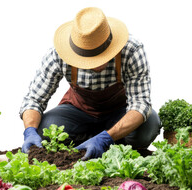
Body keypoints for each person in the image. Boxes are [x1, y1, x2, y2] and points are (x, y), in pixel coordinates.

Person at [20, 7, 161, 160]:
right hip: (78, 112)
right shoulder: (58, 55)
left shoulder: (131, 50)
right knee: (44, 129)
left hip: (120, 112)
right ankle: (95, 142)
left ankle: (107, 139)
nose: (96, 65)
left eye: (101, 57)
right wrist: (30, 131)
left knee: (148, 127)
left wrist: (105, 138)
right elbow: (34, 99)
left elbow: (141, 104)